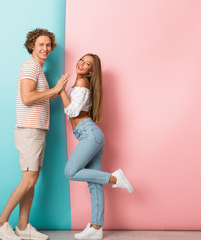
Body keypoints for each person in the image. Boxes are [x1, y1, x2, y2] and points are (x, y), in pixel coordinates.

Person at [0, 28, 69, 240]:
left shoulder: (38, 69)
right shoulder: (30, 66)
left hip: (37, 130)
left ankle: (23, 227)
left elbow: (38, 98)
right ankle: (0, 223)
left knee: (31, 180)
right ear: (32, 45)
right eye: (41, 44)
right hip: (29, 131)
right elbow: (27, 97)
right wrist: (56, 89)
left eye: (48, 45)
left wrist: (55, 91)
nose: (45, 48)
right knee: (28, 180)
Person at [59, 53, 134, 240]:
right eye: (82, 60)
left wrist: (60, 90)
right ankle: (96, 227)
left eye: (88, 64)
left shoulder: (82, 84)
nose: (82, 64)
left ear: (92, 71)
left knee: (70, 172)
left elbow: (73, 111)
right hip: (90, 134)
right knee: (94, 184)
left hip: (89, 134)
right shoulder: (80, 85)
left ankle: (115, 178)